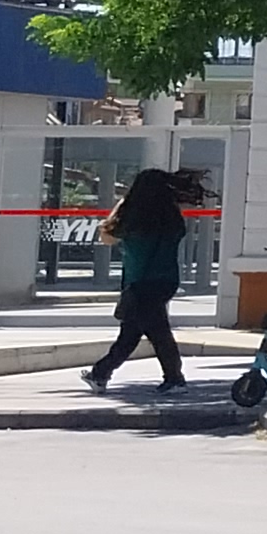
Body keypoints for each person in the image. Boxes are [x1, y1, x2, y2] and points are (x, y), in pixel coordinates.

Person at [84, 167, 199, 392]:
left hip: (139, 282)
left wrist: (121, 203)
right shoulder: (171, 216)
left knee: (157, 333)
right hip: (166, 280)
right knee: (132, 332)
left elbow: (107, 236)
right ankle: (100, 373)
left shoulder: (133, 216)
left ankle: (175, 378)